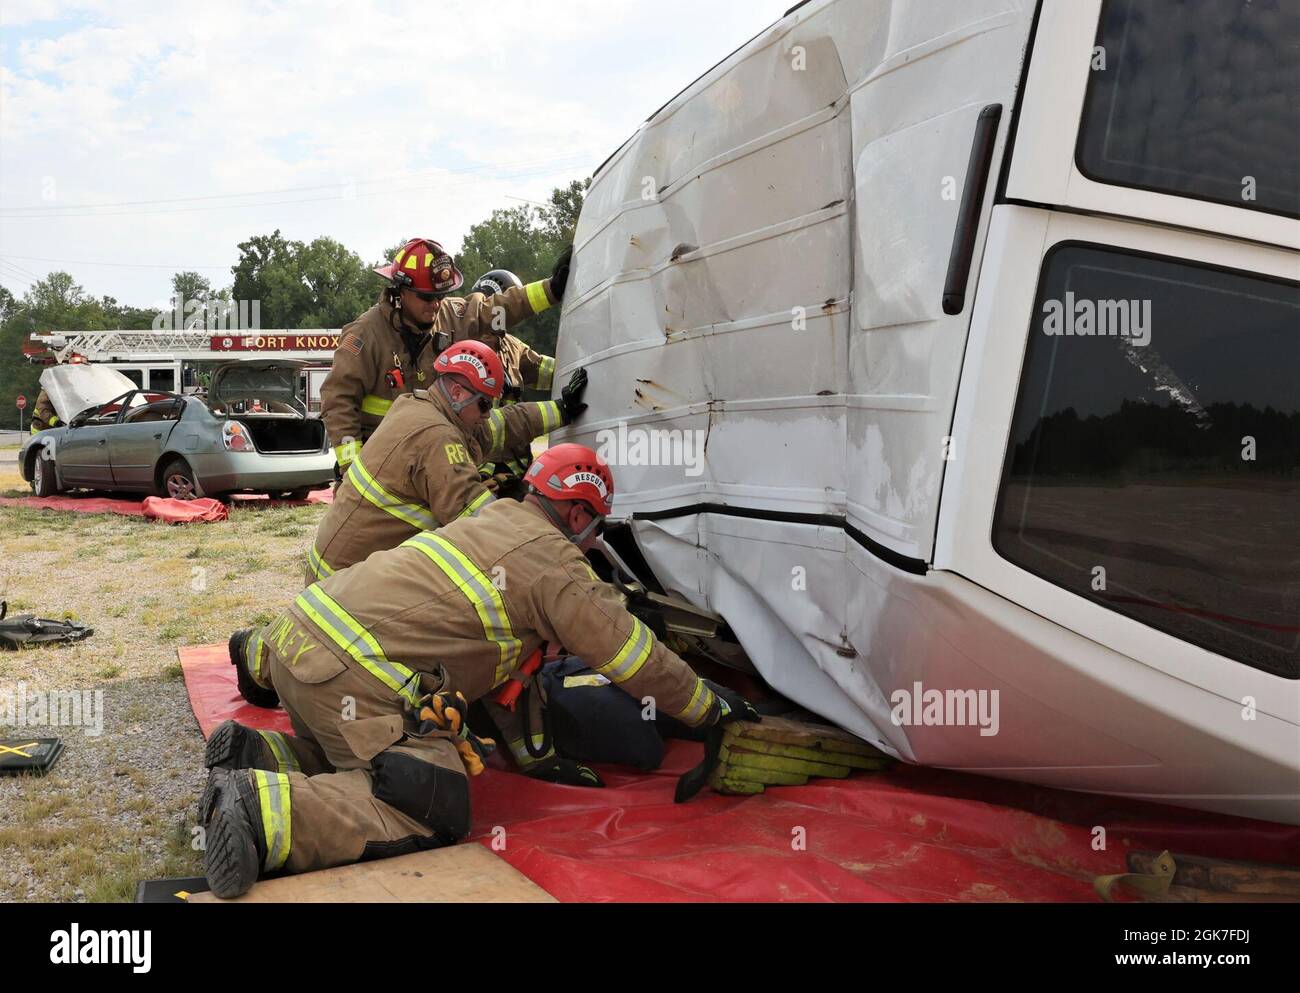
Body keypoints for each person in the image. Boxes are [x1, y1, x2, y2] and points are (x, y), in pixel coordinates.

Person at [199, 443, 757, 898]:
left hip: (297, 653)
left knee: (370, 752)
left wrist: (537, 758)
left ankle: (264, 754)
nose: (594, 540)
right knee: (427, 798)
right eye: (597, 527)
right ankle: (260, 811)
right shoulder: (555, 565)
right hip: (349, 676)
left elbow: (508, 679)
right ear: (579, 514)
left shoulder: (490, 520)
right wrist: (708, 705)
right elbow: (634, 657)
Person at [319, 239, 570, 472]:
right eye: (426, 297)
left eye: (440, 296)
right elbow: (338, 401)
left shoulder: (453, 316)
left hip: (435, 456)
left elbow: (498, 309)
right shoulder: (365, 335)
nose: (435, 304)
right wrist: (352, 466)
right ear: (401, 290)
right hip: (385, 460)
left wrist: (552, 290)